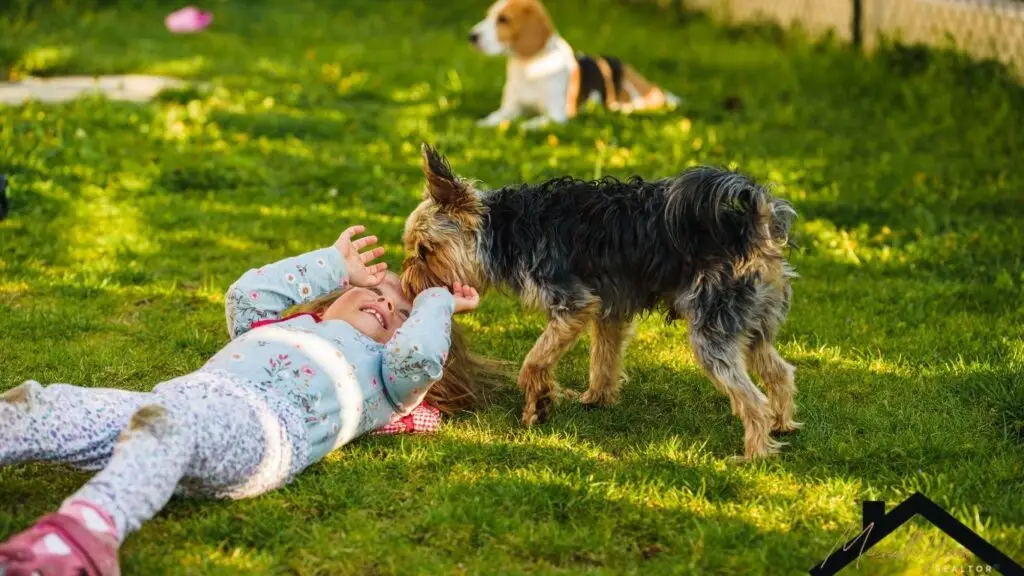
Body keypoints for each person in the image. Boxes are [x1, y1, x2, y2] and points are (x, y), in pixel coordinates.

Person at [0, 225, 479, 576]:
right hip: (171, 400)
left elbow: (419, 356)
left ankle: (78, 544)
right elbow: (245, 296)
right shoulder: (286, 327)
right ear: (334, 297)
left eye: (402, 315)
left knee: (168, 428)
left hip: (263, 431)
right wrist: (332, 263)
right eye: (377, 290)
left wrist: (436, 304)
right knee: (45, 404)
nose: (386, 306)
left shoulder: (390, 381)